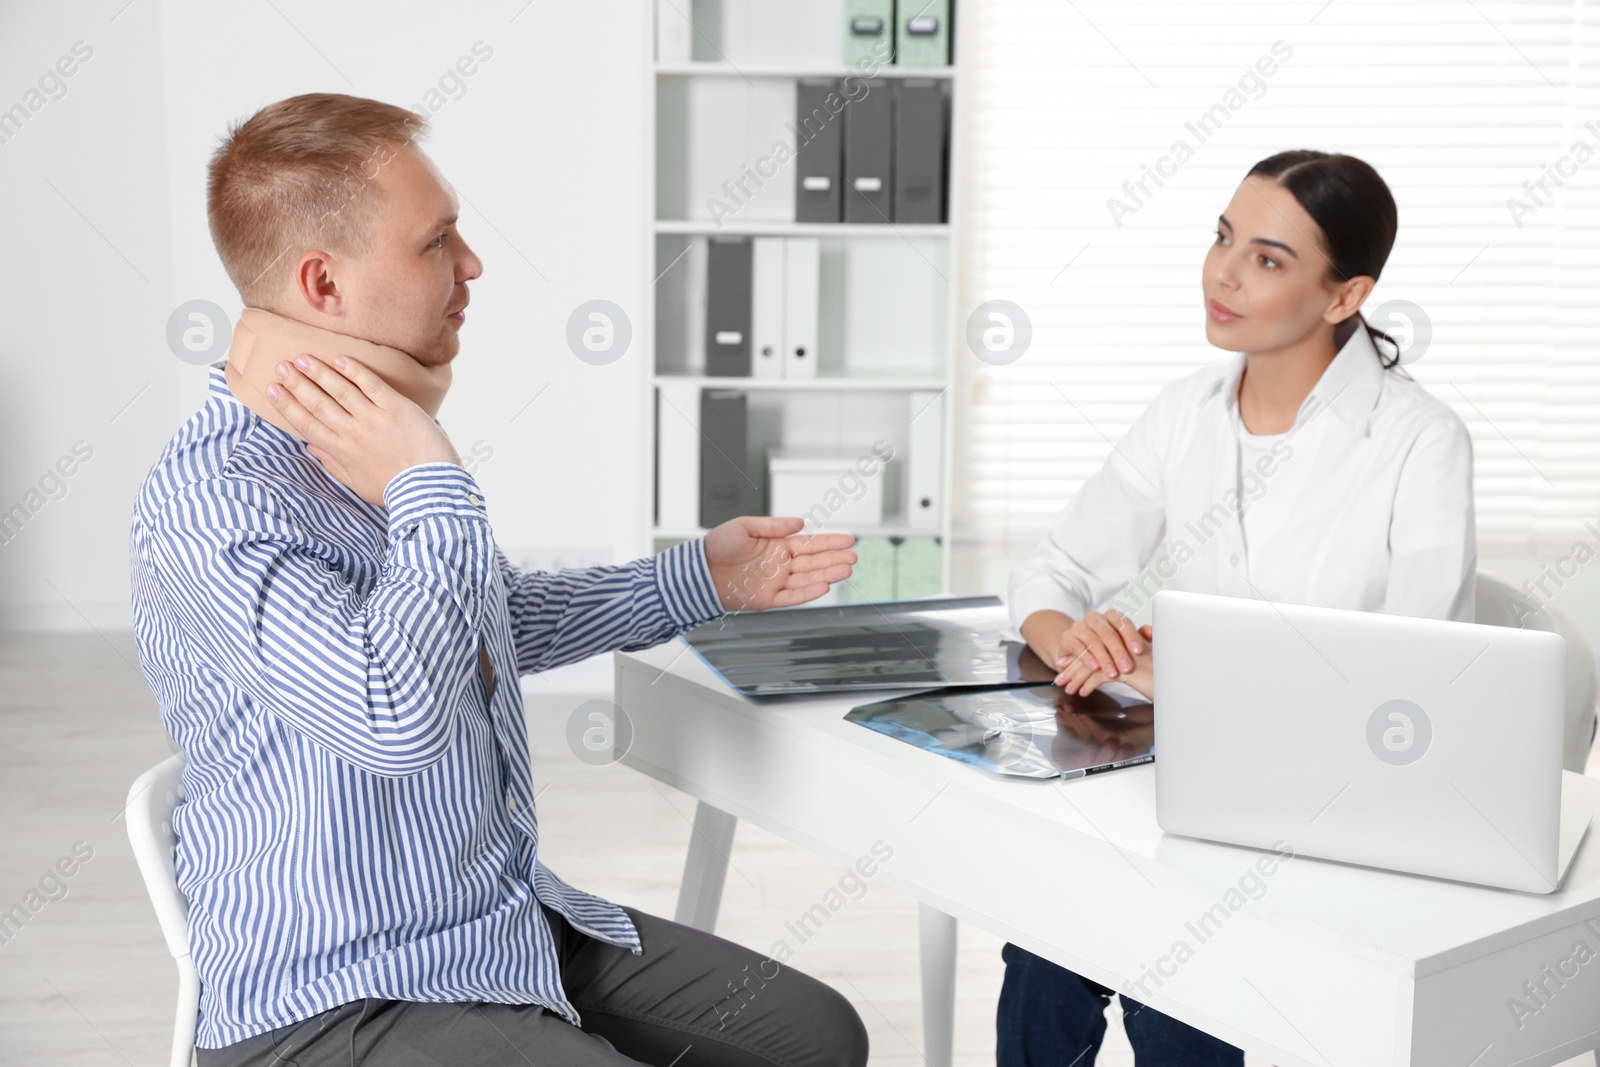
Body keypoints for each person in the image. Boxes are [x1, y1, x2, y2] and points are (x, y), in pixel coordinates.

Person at [128, 93, 869, 1067]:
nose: (471, 265)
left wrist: (701, 579)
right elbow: (391, 712)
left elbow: (491, 622)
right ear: (323, 284)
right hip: (338, 995)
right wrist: (429, 481)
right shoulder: (214, 499)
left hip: (492, 925)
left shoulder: (365, 453)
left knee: (816, 1036)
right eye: (435, 242)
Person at [999, 150, 1476, 1065]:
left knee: (1177, 987)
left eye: (1266, 258)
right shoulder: (1186, 411)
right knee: (1045, 935)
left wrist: (1174, 675)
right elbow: (1052, 568)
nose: (1222, 273)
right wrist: (1080, 639)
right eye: (1222, 237)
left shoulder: (1420, 443)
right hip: (1171, 786)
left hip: (1325, 803)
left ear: (1346, 295)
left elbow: (1406, 683)